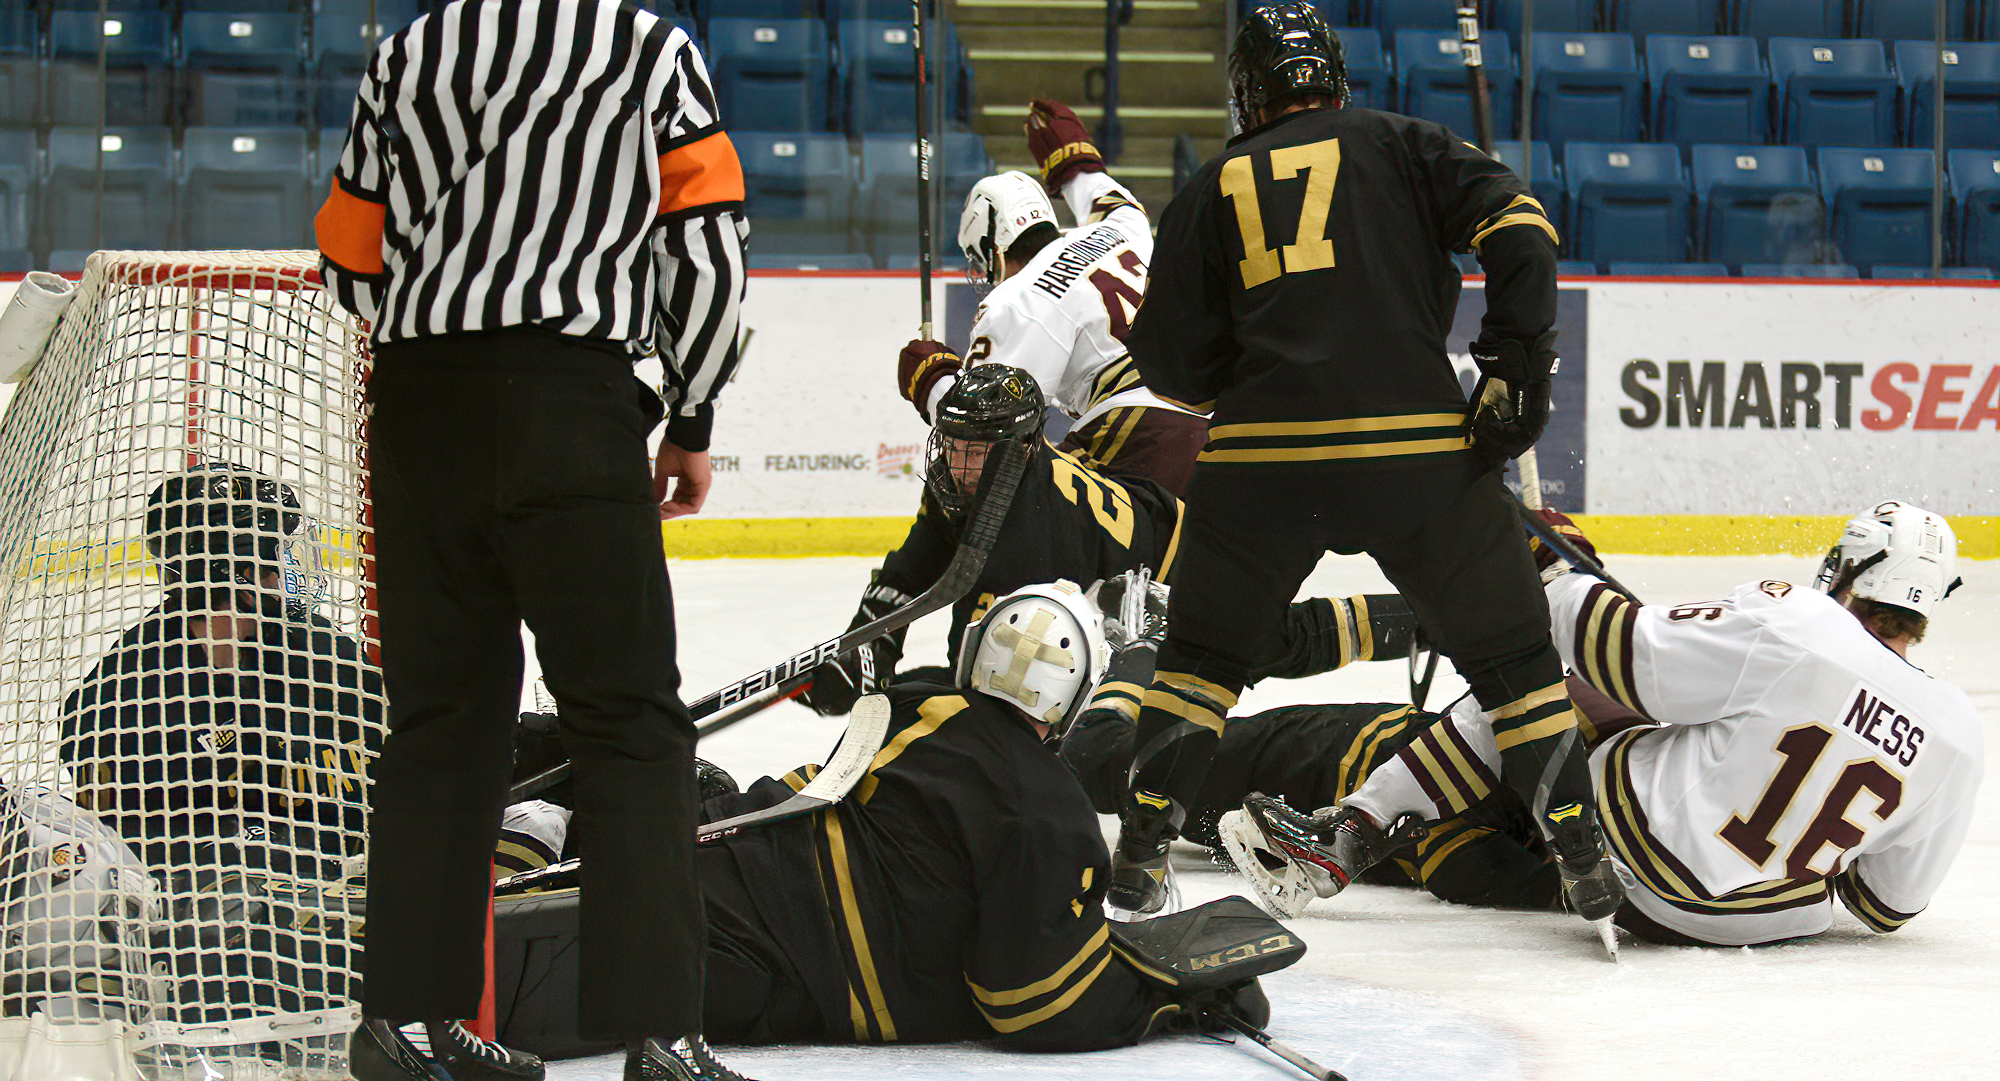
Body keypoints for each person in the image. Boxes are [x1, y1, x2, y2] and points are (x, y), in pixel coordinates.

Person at [313, 0, 749, 1077]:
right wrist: (691, 414)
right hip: (571, 399)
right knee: (628, 719)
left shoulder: (409, 50)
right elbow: (707, 248)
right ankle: (661, 1036)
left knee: (442, 721)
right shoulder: (647, 46)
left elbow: (345, 253)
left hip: (420, 410)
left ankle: (403, 1024)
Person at [1108, 1, 1616, 924]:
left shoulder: (1209, 184)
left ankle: (1139, 856)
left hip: (1262, 459)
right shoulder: (1405, 140)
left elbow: (1168, 364)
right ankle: (1580, 852)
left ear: (1248, 92)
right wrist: (1513, 364)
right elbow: (1524, 229)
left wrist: (1254, 369)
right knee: (1515, 663)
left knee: (1197, 663)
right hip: (1414, 451)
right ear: (1335, 79)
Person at [493, 580, 1277, 1051]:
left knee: (684, 808)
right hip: (775, 965)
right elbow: (1035, 1006)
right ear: (1069, 705)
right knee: (584, 967)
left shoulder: (920, 701)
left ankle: (532, 828)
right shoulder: (1053, 815)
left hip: (730, 846)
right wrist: (1168, 999)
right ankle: (527, 865)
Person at [1224, 503, 1983, 948]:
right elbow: (1887, 904)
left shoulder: (1803, 621)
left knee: (1546, 686)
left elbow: (1614, 647)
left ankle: (1350, 832)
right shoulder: (1958, 732)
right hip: (1763, 920)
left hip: (1635, 857)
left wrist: (1554, 566)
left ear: (1846, 569)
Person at [801, 365, 1410, 717]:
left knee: (1270, 644)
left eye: (976, 450)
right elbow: (908, 575)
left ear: (1018, 449)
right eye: (954, 444)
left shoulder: (1025, 526)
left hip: (1188, 565)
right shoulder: (966, 484)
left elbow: (988, 685)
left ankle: (1423, 620)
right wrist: (866, 649)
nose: (959, 463)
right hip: (1127, 568)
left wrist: (883, 703)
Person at [56, 464, 379, 1020]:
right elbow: (118, 842)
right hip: (200, 914)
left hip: (328, 892)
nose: (282, 573)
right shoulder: (121, 689)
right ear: (226, 568)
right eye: (269, 555)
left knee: (531, 822)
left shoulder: (325, 657)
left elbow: (383, 780)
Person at [895, 99, 1207, 497]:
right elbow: (1104, 193)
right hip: (1216, 409)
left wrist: (930, 381)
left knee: (1025, 513)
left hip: (1141, 432)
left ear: (995, 246)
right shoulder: (1122, 228)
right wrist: (1072, 160)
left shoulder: (1016, 300)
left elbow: (983, 422)